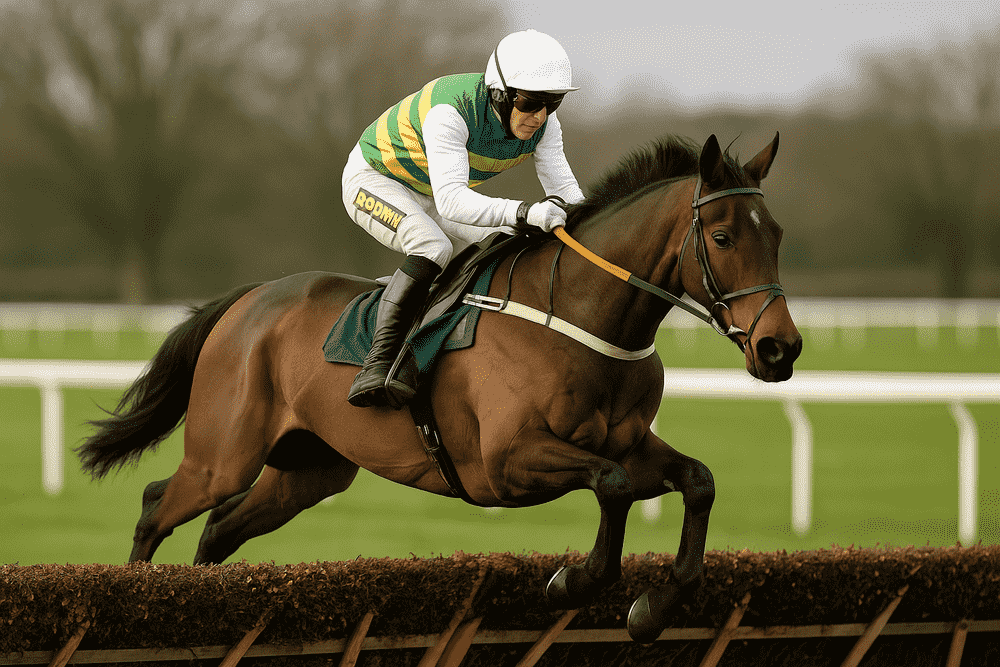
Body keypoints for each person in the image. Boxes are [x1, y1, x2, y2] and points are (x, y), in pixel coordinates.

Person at [341, 29, 586, 409]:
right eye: (530, 102)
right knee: (432, 245)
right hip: (375, 178)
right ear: (500, 95)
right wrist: (526, 212)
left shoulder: (545, 128)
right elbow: (454, 204)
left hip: (431, 191)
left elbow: (570, 195)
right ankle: (378, 364)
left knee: (500, 240)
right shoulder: (449, 112)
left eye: (552, 104)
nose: (539, 116)